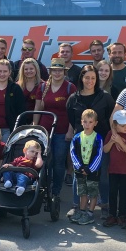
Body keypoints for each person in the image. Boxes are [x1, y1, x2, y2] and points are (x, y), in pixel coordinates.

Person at [66, 64, 114, 220]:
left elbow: (111, 117)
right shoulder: (73, 98)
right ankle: (76, 206)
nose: (90, 81)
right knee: (78, 174)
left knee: (102, 175)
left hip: (99, 143)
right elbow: (72, 120)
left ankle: (104, 205)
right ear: (81, 78)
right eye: (87, 77)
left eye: (93, 78)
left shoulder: (105, 97)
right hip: (81, 143)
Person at [33, 58, 77, 200]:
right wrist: (34, 127)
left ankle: (56, 191)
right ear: (50, 71)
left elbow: (73, 111)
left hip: (62, 131)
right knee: (45, 161)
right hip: (44, 130)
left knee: (58, 162)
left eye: (60, 70)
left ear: (64, 72)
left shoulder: (70, 87)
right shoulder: (42, 87)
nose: (57, 73)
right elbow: (38, 108)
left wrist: (70, 130)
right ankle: (44, 190)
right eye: (54, 70)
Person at [69, 109, 103, 225]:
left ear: (95, 123)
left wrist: (90, 169)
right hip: (80, 169)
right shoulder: (77, 137)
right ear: (81, 122)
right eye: (85, 122)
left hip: (92, 170)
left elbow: (99, 154)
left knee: (92, 192)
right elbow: (72, 153)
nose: (87, 124)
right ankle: (82, 211)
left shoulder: (98, 138)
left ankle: (90, 214)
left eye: (90, 122)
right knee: (82, 192)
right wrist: (79, 167)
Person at [104, 110, 126, 227]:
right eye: (123, 125)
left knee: (124, 193)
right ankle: (112, 215)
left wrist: (120, 142)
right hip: (113, 169)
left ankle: (122, 215)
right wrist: (112, 141)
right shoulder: (110, 134)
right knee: (112, 192)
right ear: (115, 125)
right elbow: (105, 150)